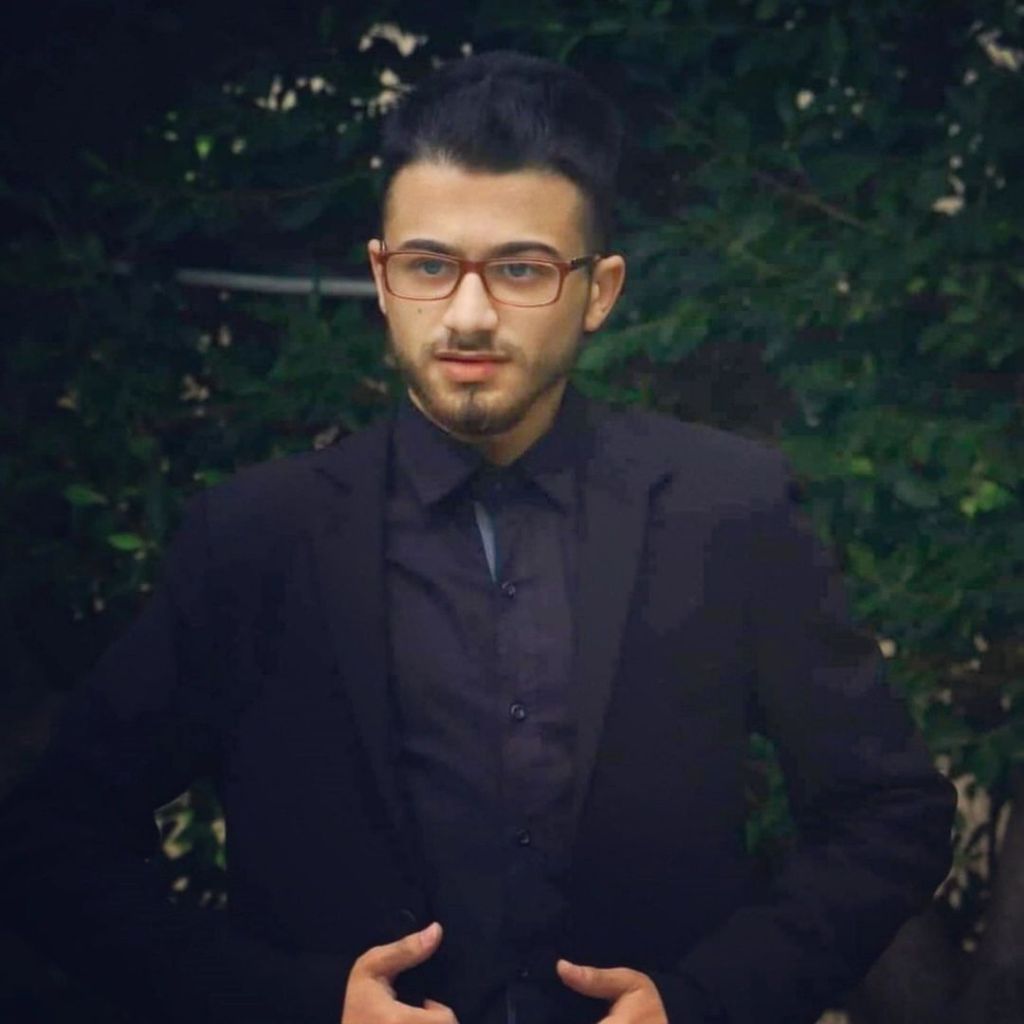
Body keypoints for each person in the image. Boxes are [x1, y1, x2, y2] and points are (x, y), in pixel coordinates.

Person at [0, 50, 956, 1024]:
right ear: (381, 276)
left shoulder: (728, 511)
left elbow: (891, 813)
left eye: (520, 270)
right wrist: (298, 1004)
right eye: (429, 266)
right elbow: (51, 840)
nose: (467, 315)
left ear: (599, 290)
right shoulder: (255, 537)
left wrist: (703, 1003)